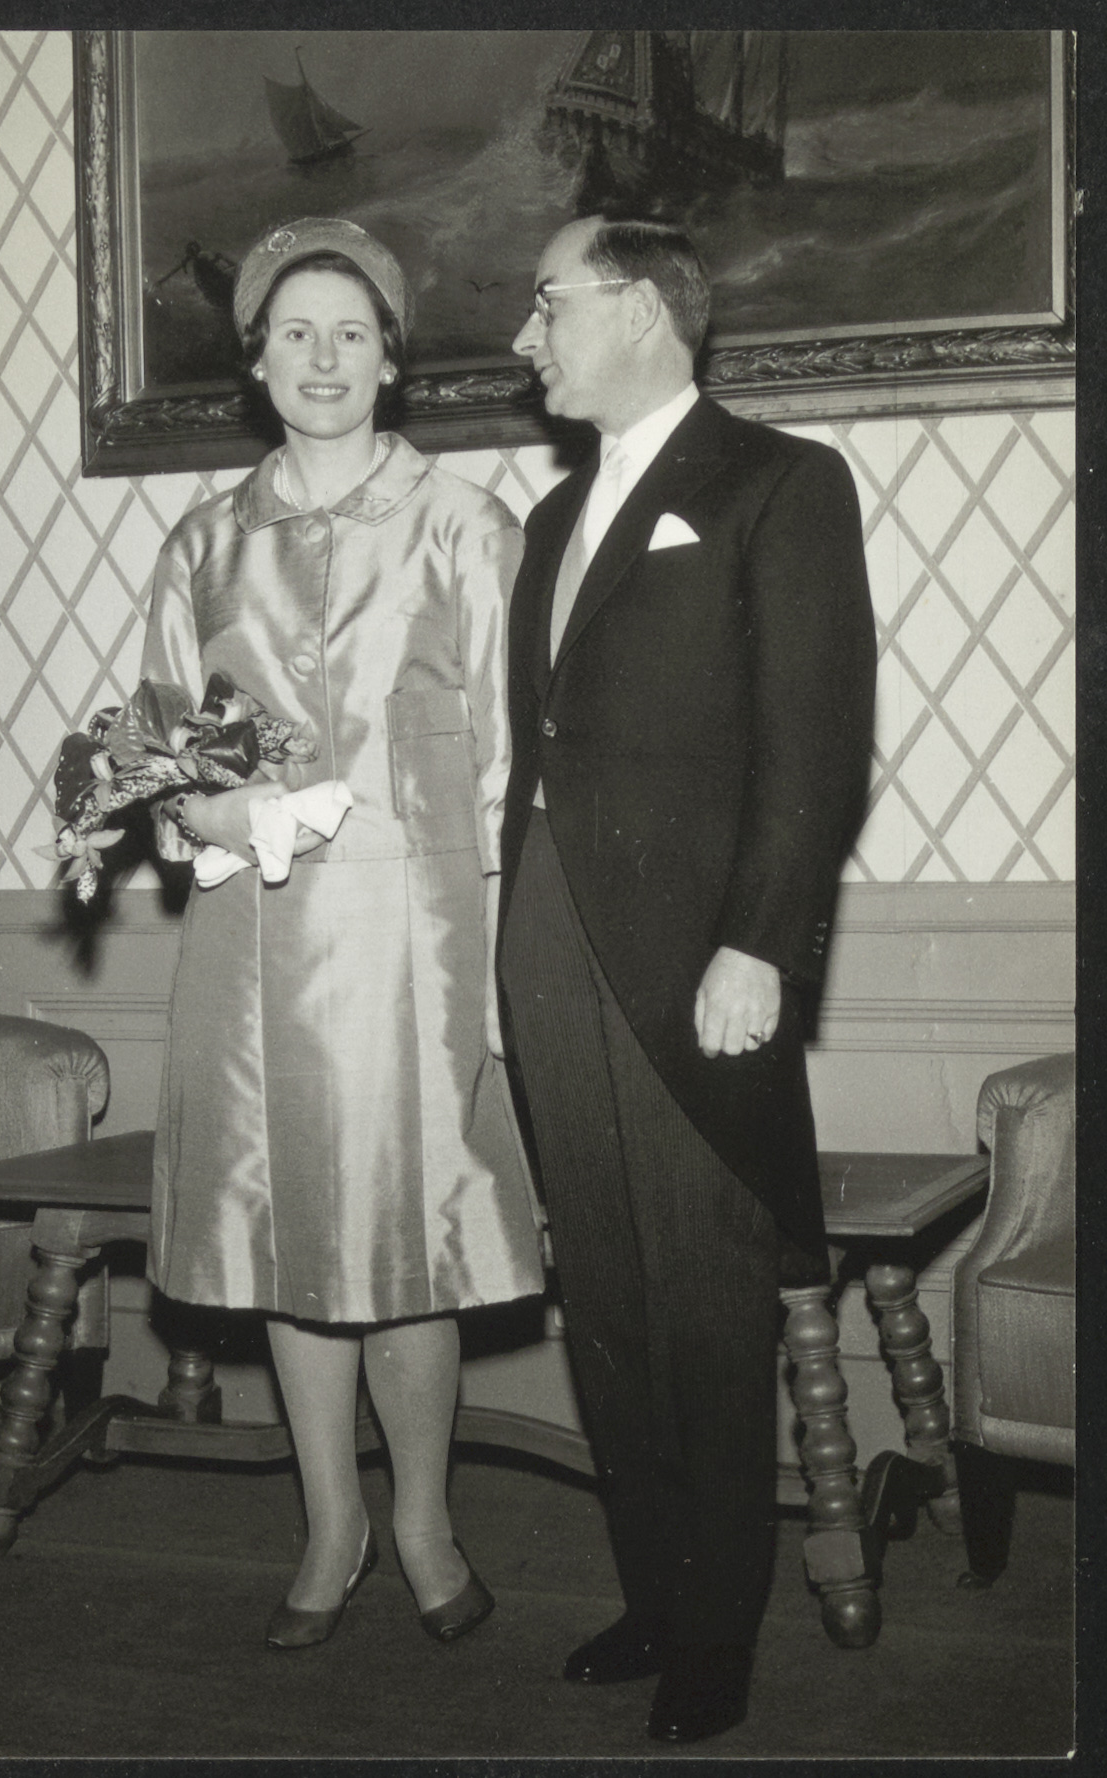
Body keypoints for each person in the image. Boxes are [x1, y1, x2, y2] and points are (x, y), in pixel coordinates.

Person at [497, 214, 877, 1742]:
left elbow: (816, 741)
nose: (524, 337)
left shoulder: (780, 482)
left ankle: (718, 1633)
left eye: (548, 304)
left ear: (646, 310)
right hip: (549, 946)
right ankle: (653, 1595)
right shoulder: (552, 517)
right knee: (606, 1298)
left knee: (711, 1304)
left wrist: (760, 941)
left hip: (699, 959)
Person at [141, 216, 542, 1651]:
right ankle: (330, 1524)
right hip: (250, 940)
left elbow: (517, 769)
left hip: (418, 949)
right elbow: (165, 758)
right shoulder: (204, 543)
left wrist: (502, 972)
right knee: (284, 1239)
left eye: (351, 333)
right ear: (256, 362)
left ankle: (423, 1519)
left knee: (406, 1242)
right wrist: (215, 806)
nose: (323, 358)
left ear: (391, 361)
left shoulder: (467, 527)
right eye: (295, 334)